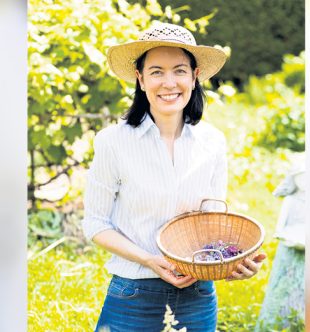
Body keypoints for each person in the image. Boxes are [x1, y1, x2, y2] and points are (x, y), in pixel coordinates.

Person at [82, 22, 266, 332]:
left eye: (180, 70)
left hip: (198, 293)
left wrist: (230, 261)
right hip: (133, 292)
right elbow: (95, 224)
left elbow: (211, 220)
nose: (169, 82)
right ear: (140, 80)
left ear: (195, 77)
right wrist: (150, 260)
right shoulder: (112, 141)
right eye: (156, 72)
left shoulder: (213, 142)